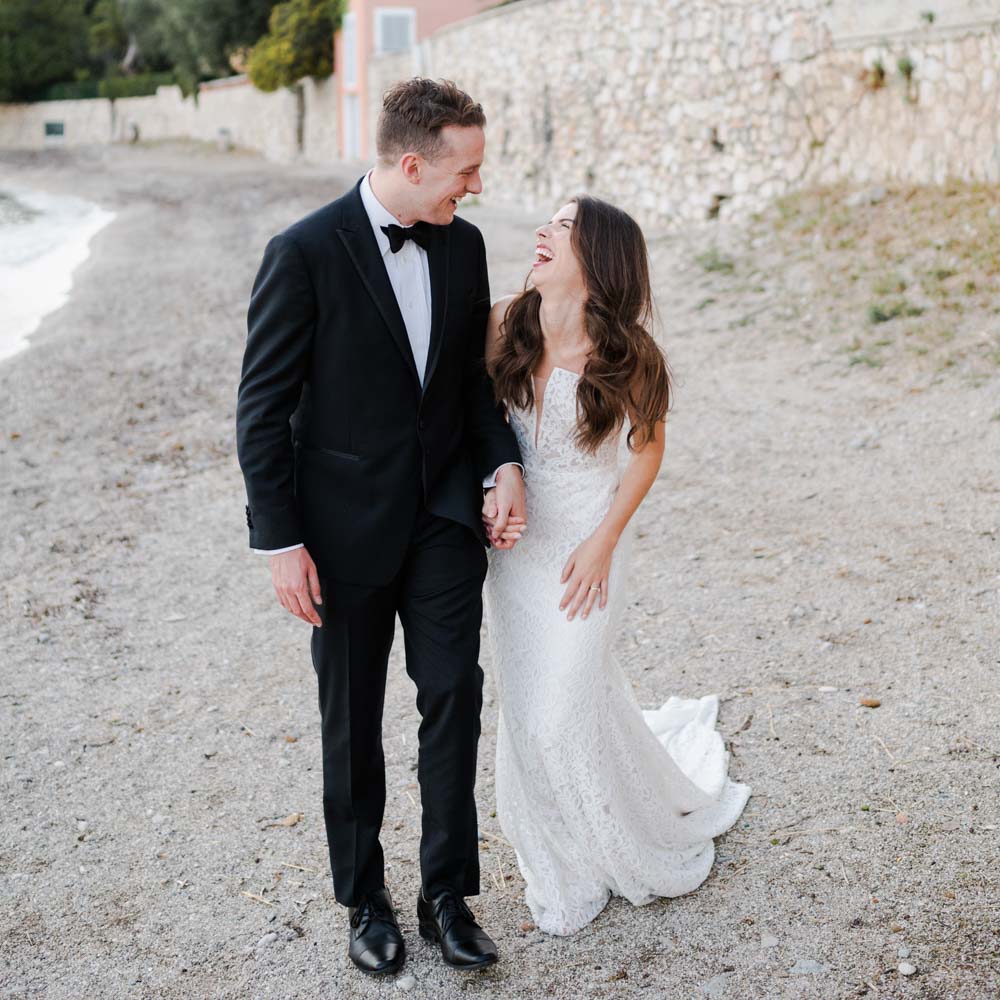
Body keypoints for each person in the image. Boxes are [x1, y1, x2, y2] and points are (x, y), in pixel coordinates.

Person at [236, 78, 527, 976]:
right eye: (465, 171)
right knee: (352, 718)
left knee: (454, 697)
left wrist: (503, 461)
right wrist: (281, 542)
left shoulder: (465, 246)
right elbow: (261, 409)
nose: (473, 187)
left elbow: (471, 387)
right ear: (413, 163)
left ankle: (448, 892)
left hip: (441, 517)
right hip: (338, 536)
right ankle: (365, 896)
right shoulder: (304, 252)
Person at [482, 196, 751, 936]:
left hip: (587, 540)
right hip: (518, 549)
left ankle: (615, 841)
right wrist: (490, 487)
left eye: (562, 228)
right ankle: (560, 854)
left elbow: (647, 449)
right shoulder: (505, 322)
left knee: (567, 697)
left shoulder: (630, 356)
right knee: (531, 707)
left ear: (598, 262)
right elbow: (475, 420)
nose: (541, 232)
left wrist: (603, 540)